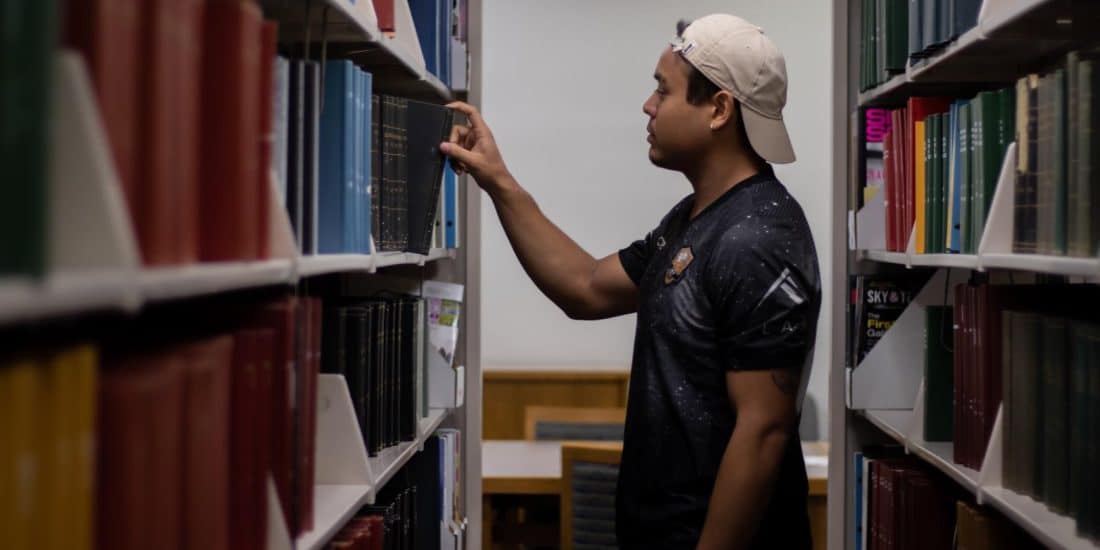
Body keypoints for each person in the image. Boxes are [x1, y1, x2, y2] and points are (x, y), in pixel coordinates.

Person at [442, 13, 820, 550]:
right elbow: (587, 285)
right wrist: (498, 180)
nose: (648, 105)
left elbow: (763, 432)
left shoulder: (759, 238)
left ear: (719, 110)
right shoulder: (694, 219)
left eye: (663, 90)